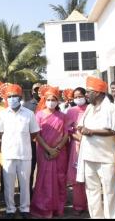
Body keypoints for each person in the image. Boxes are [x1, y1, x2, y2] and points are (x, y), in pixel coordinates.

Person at [76, 76, 115, 219]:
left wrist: (91, 131)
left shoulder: (111, 108)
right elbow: (82, 125)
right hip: (88, 156)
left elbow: (114, 131)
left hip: (105, 157)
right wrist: (82, 128)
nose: (86, 94)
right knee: (92, 191)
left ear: (99, 92)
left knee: (110, 192)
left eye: (89, 92)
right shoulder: (89, 108)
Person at [0, 83, 40, 219]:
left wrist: (23, 140)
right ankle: (10, 209)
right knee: (8, 184)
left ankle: (24, 208)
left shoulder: (29, 114)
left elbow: (34, 133)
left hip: (25, 154)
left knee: (25, 183)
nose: (12, 99)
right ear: (6, 98)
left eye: (15, 96)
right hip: (8, 154)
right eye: (9, 96)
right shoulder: (2, 114)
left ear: (20, 97)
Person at [30, 85, 69, 218]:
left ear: (58, 101)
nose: (51, 102)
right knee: (44, 178)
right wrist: (49, 149)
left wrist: (56, 149)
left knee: (59, 178)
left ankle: (58, 207)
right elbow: (37, 134)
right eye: (49, 99)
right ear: (44, 100)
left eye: (54, 99)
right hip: (43, 151)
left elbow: (66, 135)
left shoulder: (63, 116)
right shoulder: (39, 115)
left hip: (60, 152)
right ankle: (44, 207)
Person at [65, 87, 88, 215]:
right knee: (77, 177)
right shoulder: (71, 111)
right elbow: (68, 130)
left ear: (86, 96)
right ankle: (79, 205)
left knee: (90, 176)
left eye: (80, 96)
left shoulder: (92, 109)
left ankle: (92, 205)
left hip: (92, 146)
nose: (78, 98)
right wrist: (78, 138)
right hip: (76, 147)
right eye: (76, 96)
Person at [23, 82, 42, 197]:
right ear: (32, 91)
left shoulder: (50, 104)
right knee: (29, 169)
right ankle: (28, 193)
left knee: (44, 170)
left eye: (40, 90)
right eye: (36, 90)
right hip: (31, 143)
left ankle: (42, 193)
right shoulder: (26, 105)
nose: (38, 92)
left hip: (46, 144)